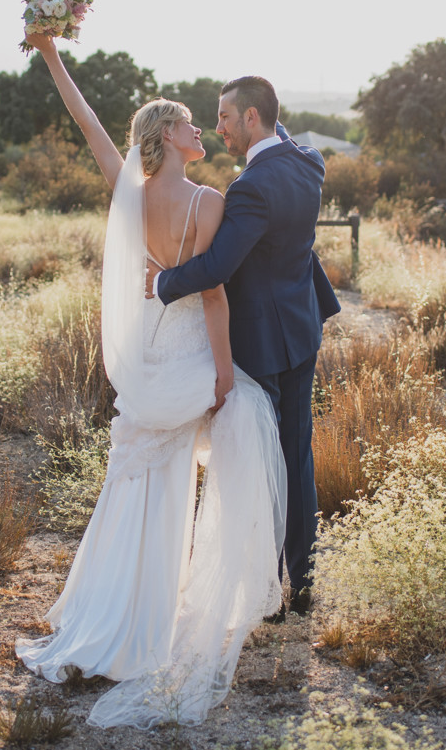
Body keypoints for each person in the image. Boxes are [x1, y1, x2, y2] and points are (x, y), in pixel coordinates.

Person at [15, 34, 287, 729]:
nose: (203, 128)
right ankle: (173, 618)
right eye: (192, 121)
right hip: (192, 355)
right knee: (233, 430)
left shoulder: (129, 190)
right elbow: (215, 295)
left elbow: (86, 122)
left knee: (131, 483)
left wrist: (50, 51)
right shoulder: (207, 202)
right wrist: (224, 373)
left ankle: (109, 616)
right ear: (169, 133)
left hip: (148, 363)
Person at [151, 75, 340, 619]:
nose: (219, 128)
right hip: (304, 327)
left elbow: (218, 267)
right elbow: (278, 131)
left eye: (226, 118)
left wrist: (162, 284)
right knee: (296, 454)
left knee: (257, 461)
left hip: (261, 338)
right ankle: (302, 583)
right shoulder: (309, 161)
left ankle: (264, 588)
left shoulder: (251, 188)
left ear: (251, 118)